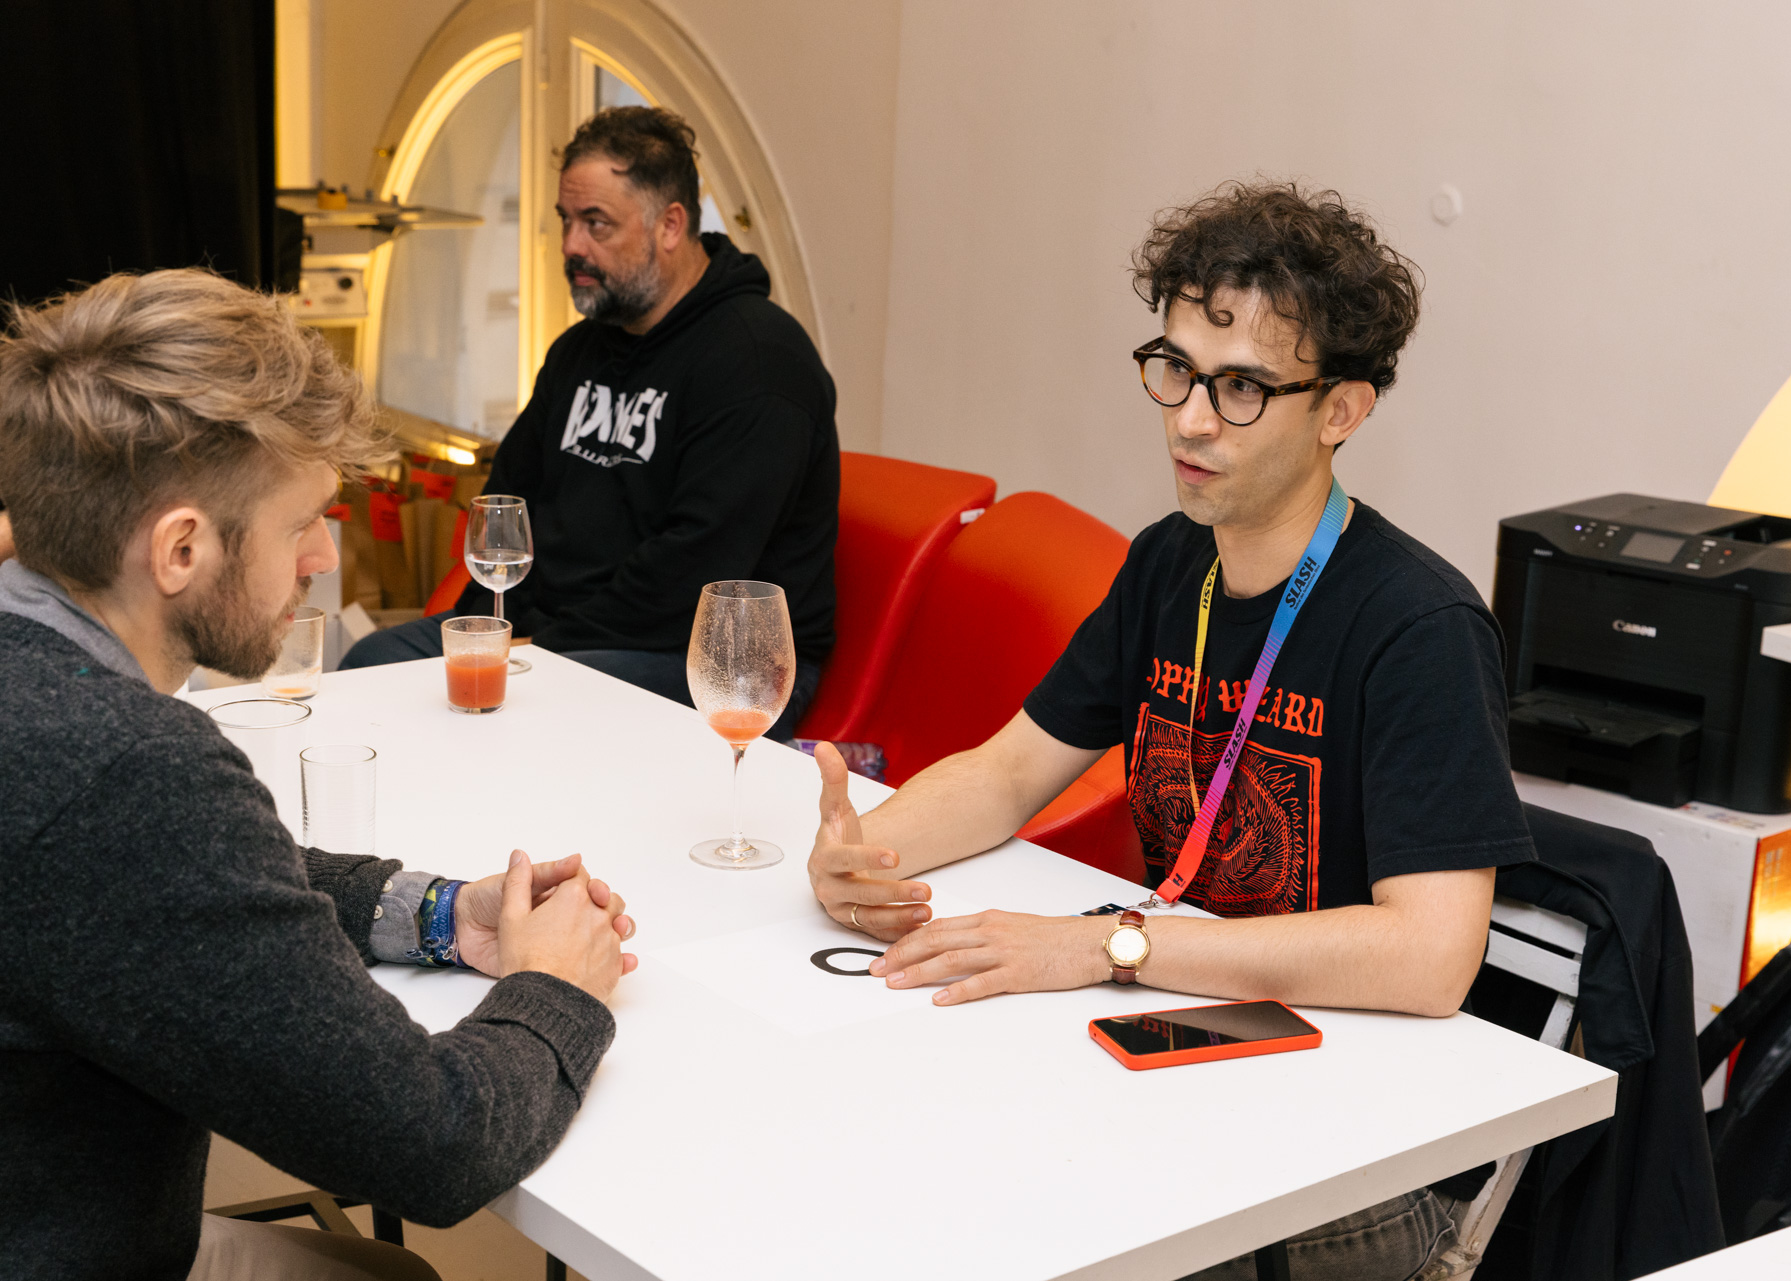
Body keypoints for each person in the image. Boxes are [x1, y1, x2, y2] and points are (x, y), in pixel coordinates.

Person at [805, 182, 1536, 1281]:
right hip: (1189, 1054)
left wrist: (1112, 946)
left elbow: (1432, 957)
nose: (1190, 419)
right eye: (1176, 370)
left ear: (1341, 410)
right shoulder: (1168, 563)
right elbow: (1008, 771)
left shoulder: (1417, 627)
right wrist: (867, 852)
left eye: (1241, 388)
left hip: (1350, 1147)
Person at [0, 269, 637, 1281]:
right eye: (300, 521)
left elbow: (190, 886)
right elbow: (435, 1146)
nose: (322, 558)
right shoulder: (125, 770)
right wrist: (556, 987)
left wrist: (440, 914)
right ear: (181, 548)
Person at [342, 106, 839, 740]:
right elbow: (509, 505)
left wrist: (536, 651)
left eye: (596, 223)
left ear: (670, 224)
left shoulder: (761, 363)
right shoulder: (580, 351)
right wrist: (486, 632)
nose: (572, 245)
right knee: (371, 667)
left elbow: (693, 570)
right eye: (566, 221)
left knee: (514, 719)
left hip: (708, 661)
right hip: (560, 635)